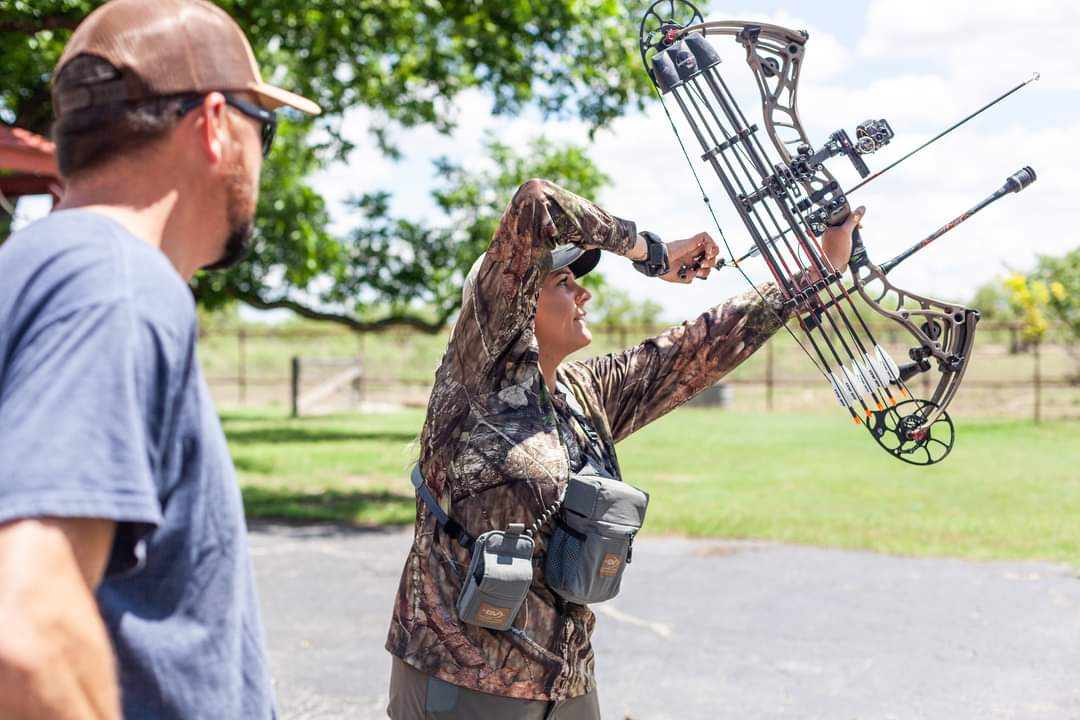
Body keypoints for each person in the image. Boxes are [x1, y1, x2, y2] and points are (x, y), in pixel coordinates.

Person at [385, 178, 862, 719]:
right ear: (513, 302)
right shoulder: (476, 378)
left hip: (566, 683)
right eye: (563, 281)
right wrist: (651, 252)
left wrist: (819, 270)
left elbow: (701, 346)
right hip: (463, 683)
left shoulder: (584, 392)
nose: (583, 294)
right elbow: (538, 203)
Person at [0, 1, 320, 717]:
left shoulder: (29, 269)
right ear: (214, 125)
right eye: (261, 126)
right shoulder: (116, 286)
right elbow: (25, 635)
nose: (263, 154)